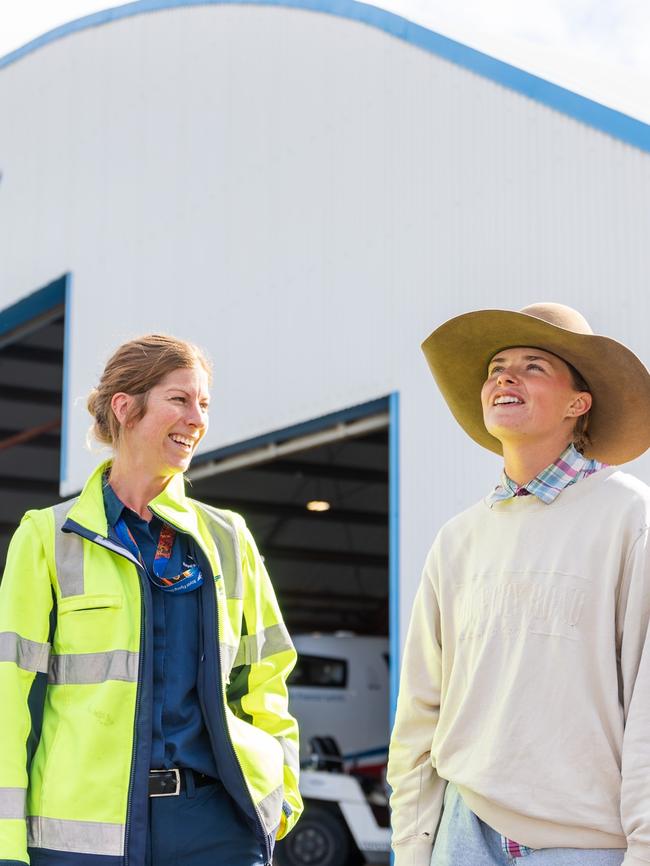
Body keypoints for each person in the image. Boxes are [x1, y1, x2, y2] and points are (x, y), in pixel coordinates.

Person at [0, 334, 302, 866]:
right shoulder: (48, 537)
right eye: (180, 399)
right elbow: (9, 696)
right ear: (125, 407)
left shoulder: (227, 538)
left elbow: (265, 675)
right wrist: (5, 843)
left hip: (215, 828)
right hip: (83, 840)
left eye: (204, 404)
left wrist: (282, 796)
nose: (196, 419)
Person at [387, 303, 650, 866]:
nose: (504, 377)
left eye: (534, 365)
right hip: (461, 831)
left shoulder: (631, 518)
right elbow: (419, 710)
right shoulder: (458, 539)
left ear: (579, 404)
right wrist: (412, 846)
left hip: (586, 842)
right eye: (496, 367)